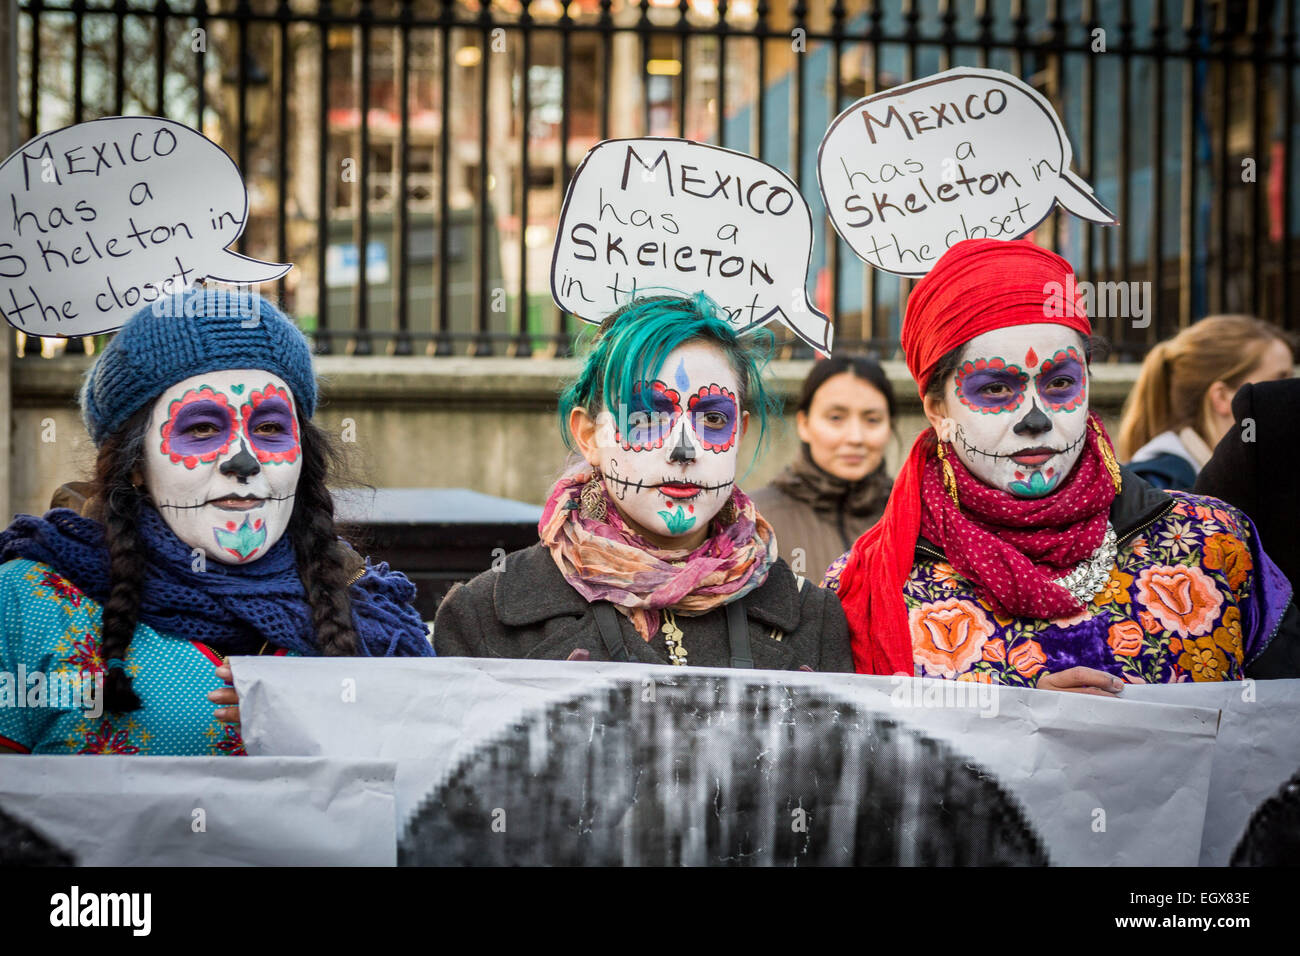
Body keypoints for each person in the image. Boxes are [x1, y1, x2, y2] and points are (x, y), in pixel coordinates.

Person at [825, 238, 1299, 690]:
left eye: (1059, 384)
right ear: (938, 409)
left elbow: (1278, 741)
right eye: (995, 389)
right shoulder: (867, 586)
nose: (1036, 419)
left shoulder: (1215, 544)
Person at [0, 288, 434, 756]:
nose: (243, 462)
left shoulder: (368, 606)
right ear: (135, 464)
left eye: (269, 428)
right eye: (201, 429)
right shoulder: (30, 602)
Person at [433, 292, 852, 671]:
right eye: (647, 418)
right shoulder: (484, 616)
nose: (683, 450)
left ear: (739, 432)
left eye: (712, 419)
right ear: (589, 436)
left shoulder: (811, 617)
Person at [750, 355, 895, 582]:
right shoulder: (755, 521)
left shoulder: (916, 518)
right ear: (804, 424)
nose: (855, 437)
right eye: (836, 417)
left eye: (872, 419)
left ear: (889, 426)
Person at [1117, 315, 1293, 490]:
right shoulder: (1159, 484)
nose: (1289, 396)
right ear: (1222, 397)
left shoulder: (1239, 477)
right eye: (1279, 382)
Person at [1195, 378, 1300, 592]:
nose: (1289, 373)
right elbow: (1207, 523)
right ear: (1221, 397)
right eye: (1280, 372)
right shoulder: (1271, 414)